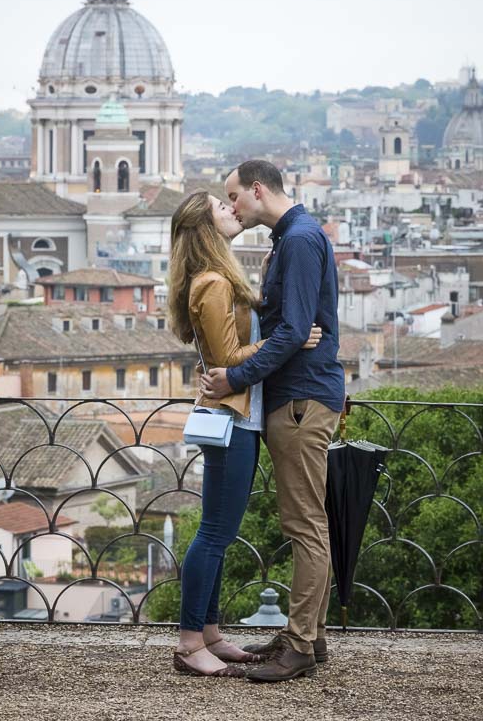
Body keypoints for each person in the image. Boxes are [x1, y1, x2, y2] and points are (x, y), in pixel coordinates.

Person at [200, 160, 346, 683]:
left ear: (257, 190)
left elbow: (293, 332)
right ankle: (308, 633)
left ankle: (302, 644)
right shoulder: (294, 238)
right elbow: (289, 326)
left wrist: (235, 377)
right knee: (305, 521)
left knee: (304, 524)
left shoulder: (301, 239)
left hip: (302, 397)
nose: (232, 207)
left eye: (234, 196)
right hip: (297, 395)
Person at [168, 190, 322, 678]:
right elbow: (227, 357)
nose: (231, 210)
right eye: (221, 207)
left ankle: (210, 633)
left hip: (240, 417)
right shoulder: (212, 282)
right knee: (214, 532)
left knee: (219, 530)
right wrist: (288, 340)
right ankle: (190, 642)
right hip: (232, 418)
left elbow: (220, 355)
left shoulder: (218, 277)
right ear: (206, 229)